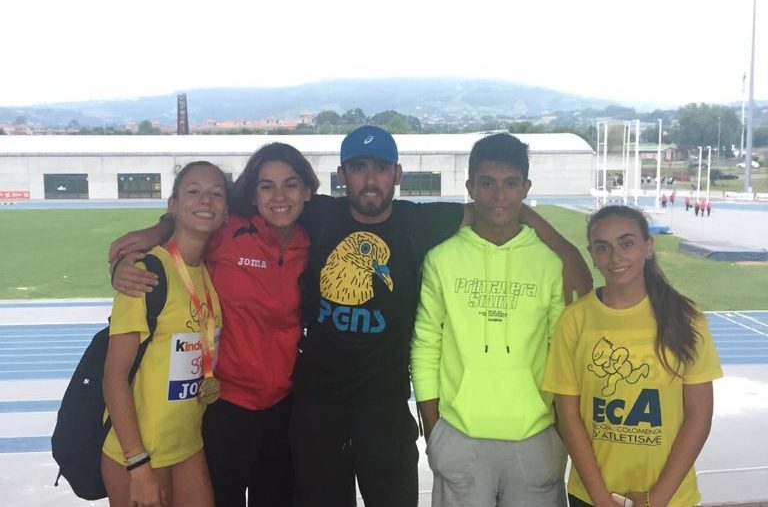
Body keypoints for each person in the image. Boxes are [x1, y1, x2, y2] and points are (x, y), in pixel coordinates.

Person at [111, 126, 592, 507]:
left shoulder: (419, 221)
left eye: (380, 168)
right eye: (359, 168)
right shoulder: (315, 213)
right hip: (314, 412)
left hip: (384, 414)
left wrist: (567, 250)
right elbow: (210, 212)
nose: (370, 179)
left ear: (397, 174)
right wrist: (158, 229)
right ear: (342, 175)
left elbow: (497, 206)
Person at [110, 143, 320, 507]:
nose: (279, 196)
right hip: (223, 407)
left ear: (307, 192)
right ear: (252, 195)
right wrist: (134, 252)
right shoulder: (227, 234)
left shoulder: (316, 240)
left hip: (282, 409)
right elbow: (186, 232)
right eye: (266, 186)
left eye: (290, 184)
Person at [411, 133, 567, 507]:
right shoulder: (441, 257)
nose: (499, 196)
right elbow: (426, 344)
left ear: (526, 187)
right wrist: (434, 432)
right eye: (487, 183)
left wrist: (561, 433)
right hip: (459, 435)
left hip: (536, 438)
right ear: (470, 188)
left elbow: (562, 353)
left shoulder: (549, 263)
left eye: (510, 184)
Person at [542, 205, 722, 507]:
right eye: (603, 247)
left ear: (648, 247)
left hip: (670, 497)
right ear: (592, 255)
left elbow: (699, 417)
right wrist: (600, 497)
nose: (615, 257)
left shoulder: (686, 318)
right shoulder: (574, 320)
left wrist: (657, 498)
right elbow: (568, 416)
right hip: (592, 495)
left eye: (626, 243)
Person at [102, 161, 228, 507]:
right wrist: (137, 463)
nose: (206, 200)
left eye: (216, 194)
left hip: (187, 446)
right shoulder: (145, 273)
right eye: (194, 192)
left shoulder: (206, 274)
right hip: (138, 452)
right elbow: (113, 378)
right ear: (173, 205)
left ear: (226, 212)